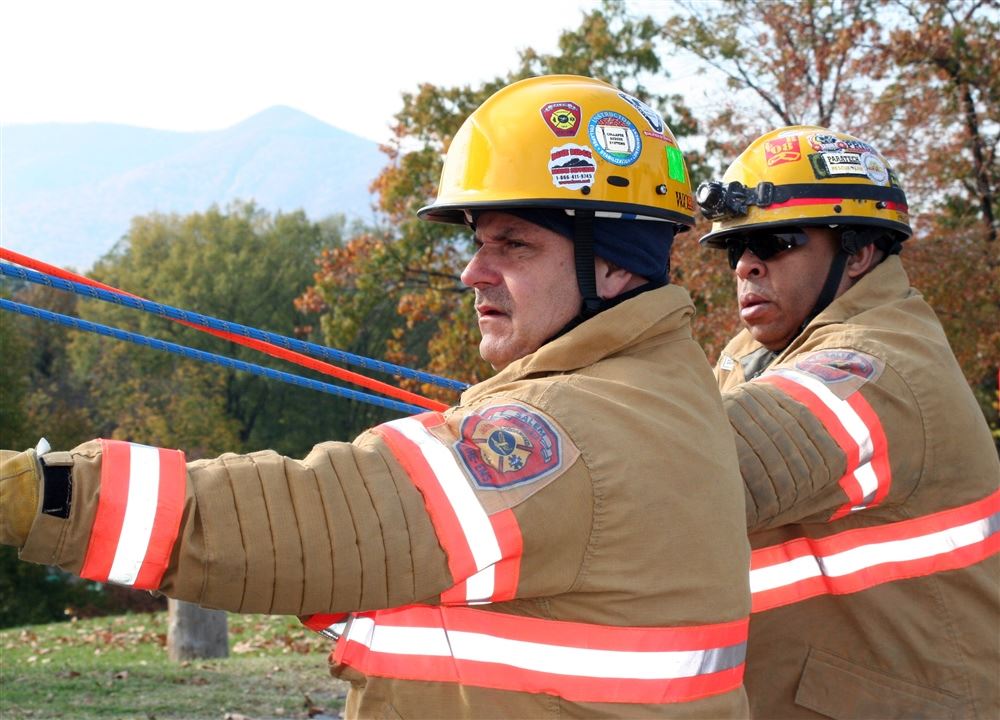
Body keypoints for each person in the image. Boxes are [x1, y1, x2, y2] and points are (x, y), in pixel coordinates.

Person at [0, 75, 752, 719]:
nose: (473, 273)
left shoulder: (571, 431)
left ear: (616, 267)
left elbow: (313, 518)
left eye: (512, 245)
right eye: (476, 241)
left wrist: (39, 493)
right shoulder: (662, 390)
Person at [695, 125, 1000, 719]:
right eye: (737, 250)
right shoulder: (755, 352)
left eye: (775, 242)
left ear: (859, 253)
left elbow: (708, 465)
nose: (747, 268)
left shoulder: (878, 366)